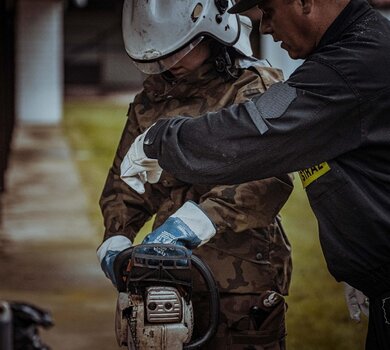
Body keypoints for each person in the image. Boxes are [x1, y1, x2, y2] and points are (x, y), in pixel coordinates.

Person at [120, 0, 390, 348]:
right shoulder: (361, 54)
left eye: (268, 9)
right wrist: (370, 266)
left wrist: (160, 139)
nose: (263, 26)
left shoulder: (352, 67)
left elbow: (256, 132)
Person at [97, 1, 294, 349]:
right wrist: (116, 239)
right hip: (167, 283)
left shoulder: (253, 89)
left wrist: (193, 223)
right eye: (157, 59)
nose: (167, 66)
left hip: (242, 283)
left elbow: (268, 179)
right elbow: (127, 181)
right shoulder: (151, 100)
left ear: (214, 33)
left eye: (179, 52)